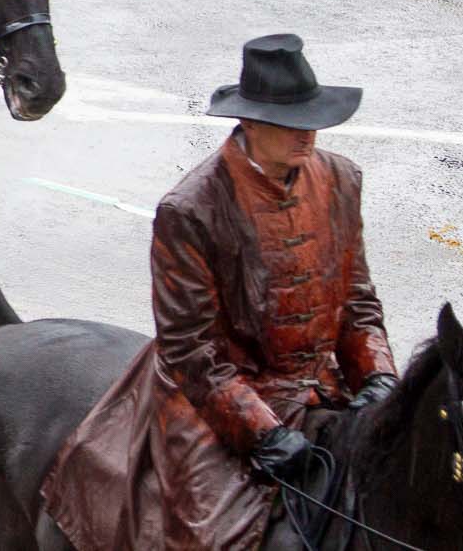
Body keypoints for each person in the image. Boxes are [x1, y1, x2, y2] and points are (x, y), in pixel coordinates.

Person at [43, 34, 398, 551]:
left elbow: (358, 303)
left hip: (322, 384)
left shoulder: (341, 178)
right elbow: (192, 351)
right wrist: (263, 431)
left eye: (311, 118)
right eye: (290, 122)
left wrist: (380, 378)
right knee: (209, 539)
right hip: (218, 399)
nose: (307, 135)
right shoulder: (190, 208)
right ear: (250, 123)